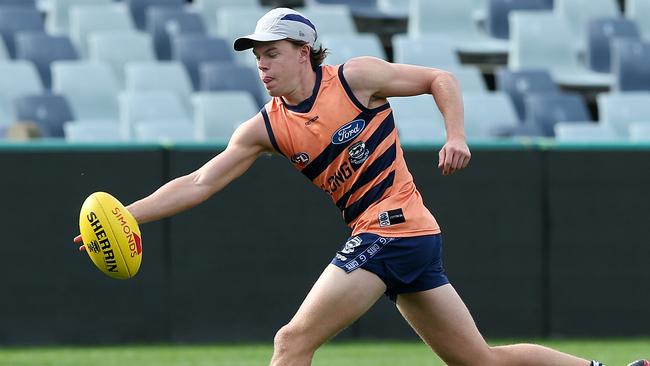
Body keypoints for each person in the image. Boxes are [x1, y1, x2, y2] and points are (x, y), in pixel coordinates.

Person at [74, 8, 647, 366]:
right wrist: (128, 215)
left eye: (271, 53)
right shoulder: (266, 126)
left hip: (393, 230)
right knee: (482, 363)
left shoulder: (355, 79)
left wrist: (456, 135)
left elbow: (439, 78)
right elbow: (199, 180)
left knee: (290, 343)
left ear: (303, 51)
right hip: (404, 240)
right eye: (256, 57)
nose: (262, 66)